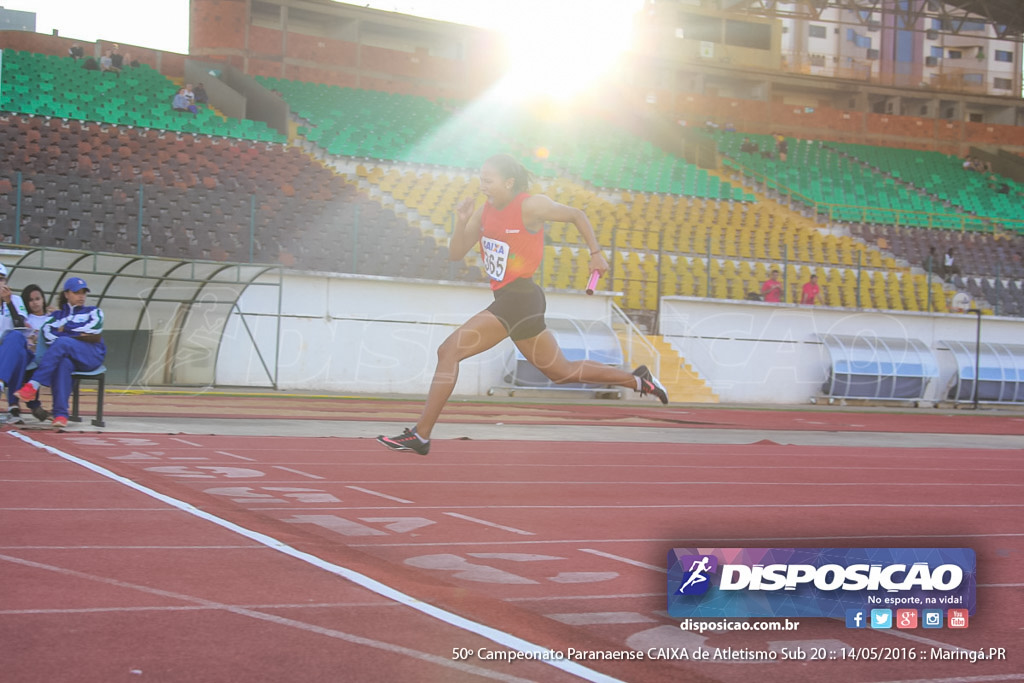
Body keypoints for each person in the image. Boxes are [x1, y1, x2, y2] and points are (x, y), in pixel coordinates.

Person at [377, 154, 668, 455]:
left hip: (521, 297)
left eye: (488, 180)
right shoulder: (483, 212)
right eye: (481, 179)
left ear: (508, 182)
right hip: (511, 301)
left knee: (448, 351)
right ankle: (639, 380)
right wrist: (461, 221)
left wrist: (595, 252)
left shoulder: (531, 205)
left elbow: (577, 214)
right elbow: (456, 252)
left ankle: (421, 435)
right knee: (561, 371)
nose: (482, 185)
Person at [14, 277, 106, 430]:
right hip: (69, 355)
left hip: (91, 355)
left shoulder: (94, 311)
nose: (81, 296)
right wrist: (77, 333)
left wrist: (65, 330)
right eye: (77, 293)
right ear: (67, 294)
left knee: (62, 343)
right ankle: (61, 415)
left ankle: (33, 385)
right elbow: (48, 334)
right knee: (63, 362)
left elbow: (94, 328)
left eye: (84, 292)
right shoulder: (55, 316)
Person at [5, 284, 54, 424]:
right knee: (25, 362)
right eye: (31, 300)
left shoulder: (51, 317)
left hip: (47, 357)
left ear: (43, 299)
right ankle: (32, 405)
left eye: (38, 298)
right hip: (30, 356)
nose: (35, 303)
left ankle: (22, 405)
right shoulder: (27, 319)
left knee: (36, 364)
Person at [0, 264, 31, 419]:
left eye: (0, 279)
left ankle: (0, 382)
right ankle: (13, 403)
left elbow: (20, 326)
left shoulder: (16, 300)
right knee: (18, 354)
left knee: (16, 339)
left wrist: (8, 302)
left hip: (14, 343)